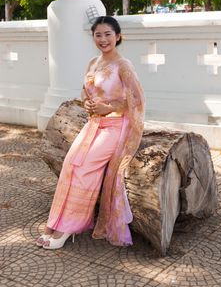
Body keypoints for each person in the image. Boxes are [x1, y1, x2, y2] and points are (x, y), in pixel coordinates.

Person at [36, 16, 145, 249]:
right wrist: (86, 103)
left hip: (116, 128)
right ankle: (53, 224)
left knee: (84, 169)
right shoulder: (93, 63)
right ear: (93, 37)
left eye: (108, 34)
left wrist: (111, 107)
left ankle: (68, 227)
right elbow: (86, 92)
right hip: (94, 125)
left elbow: (137, 100)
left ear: (118, 36)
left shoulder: (123, 65)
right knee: (70, 165)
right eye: (98, 35)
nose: (103, 39)